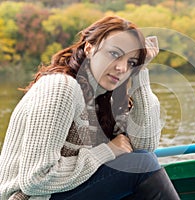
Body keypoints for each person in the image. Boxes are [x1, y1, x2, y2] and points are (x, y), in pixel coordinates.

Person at [0, 16, 180, 200]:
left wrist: (141, 72)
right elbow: (35, 179)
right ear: (89, 48)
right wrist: (107, 151)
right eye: (114, 54)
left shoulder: (105, 98)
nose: (121, 68)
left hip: (65, 190)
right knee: (142, 165)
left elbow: (144, 146)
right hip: (32, 197)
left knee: (141, 162)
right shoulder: (61, 88)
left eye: (131, 63)